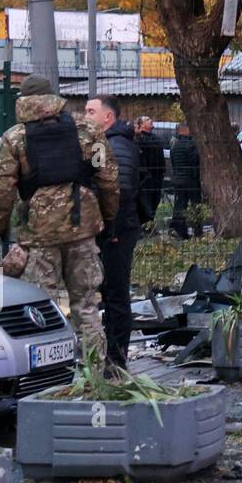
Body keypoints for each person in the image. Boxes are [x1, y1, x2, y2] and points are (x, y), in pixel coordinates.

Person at [0, 74, 120, 359]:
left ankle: (47, 377)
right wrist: (108, 220)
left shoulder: (14, 137)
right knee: (86, 305)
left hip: (38, 238)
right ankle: (93, 377)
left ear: (22, 100)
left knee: (40, 308)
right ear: (53, 97)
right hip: (82, 231)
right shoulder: (89, 130)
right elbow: (108, 178)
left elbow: (1, 189)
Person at [85, 95, 141, 370]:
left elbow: (124, 189)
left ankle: (116, 360)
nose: (86, 115)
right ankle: (108, 355)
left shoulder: (118, 146)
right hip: (108, 229)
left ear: (108, 117)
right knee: (107, 292)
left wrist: (113, 228)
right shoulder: (102, 144)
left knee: (116, 294)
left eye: (91, 111)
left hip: (117, 231)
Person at [169, 122, 201, 239]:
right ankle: (197, 230)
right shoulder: (191, 144)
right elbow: (195, 160)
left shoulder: (174, 144)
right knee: (195, 205)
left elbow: (173, 162)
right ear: (185, 130)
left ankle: (179, 231)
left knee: (180, 206)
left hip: (178, 179)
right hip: (191, 180)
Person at [133, 115, 166, 226]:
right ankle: (144, 226)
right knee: (144, 202)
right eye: (147, 120)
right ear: (141, 125)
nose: (151, 120)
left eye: (150, 119)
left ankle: (150, 225)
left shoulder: (156, 138)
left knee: (155, 201)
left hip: (157, 177)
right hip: (145, 178)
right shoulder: (138, 139)